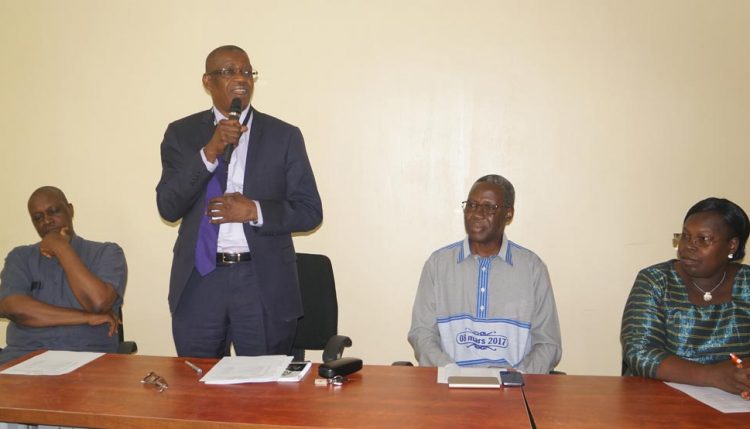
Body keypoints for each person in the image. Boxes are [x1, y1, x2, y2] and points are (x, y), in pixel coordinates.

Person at [156, 45, 322, 358]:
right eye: (229, 71)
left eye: (247, 71)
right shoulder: (181, 134)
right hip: (200, 280)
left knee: (262, 392)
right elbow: (168, 206)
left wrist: (254, 210)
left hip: (261, 281)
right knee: (198, 391)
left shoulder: (283, 136)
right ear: (207, 82)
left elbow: (310, 210)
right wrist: (210, 151)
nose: (242, 78)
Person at [408, 174, 562, 373]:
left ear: (509, 214)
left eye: (488, 207)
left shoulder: (533, 268)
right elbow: (422, 333)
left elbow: (548, 343)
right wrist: (451, 371)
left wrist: (519, 376)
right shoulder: (438, 265)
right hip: (450, 389)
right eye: (471, 205)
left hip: (512, 391)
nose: (476, 214)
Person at [621, 197, 750, 398]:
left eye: (703, 239)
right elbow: (640, 352)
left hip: (735, 405)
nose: (688, 246)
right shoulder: (656, 280)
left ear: (732, 245)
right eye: (686, 236)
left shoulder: (747, 284)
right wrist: (713, 376)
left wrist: (743, 376)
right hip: (659, 402)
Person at [0, 186, 127, 365]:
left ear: (70, 209)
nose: (46, 221)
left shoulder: (106, 252)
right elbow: (14, 308)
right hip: (22, 357)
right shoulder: (20, 257)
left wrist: (61, 247)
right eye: (38, 218)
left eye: (53, 211)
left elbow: (97, 303)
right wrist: (86, 317)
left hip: (89, 357)